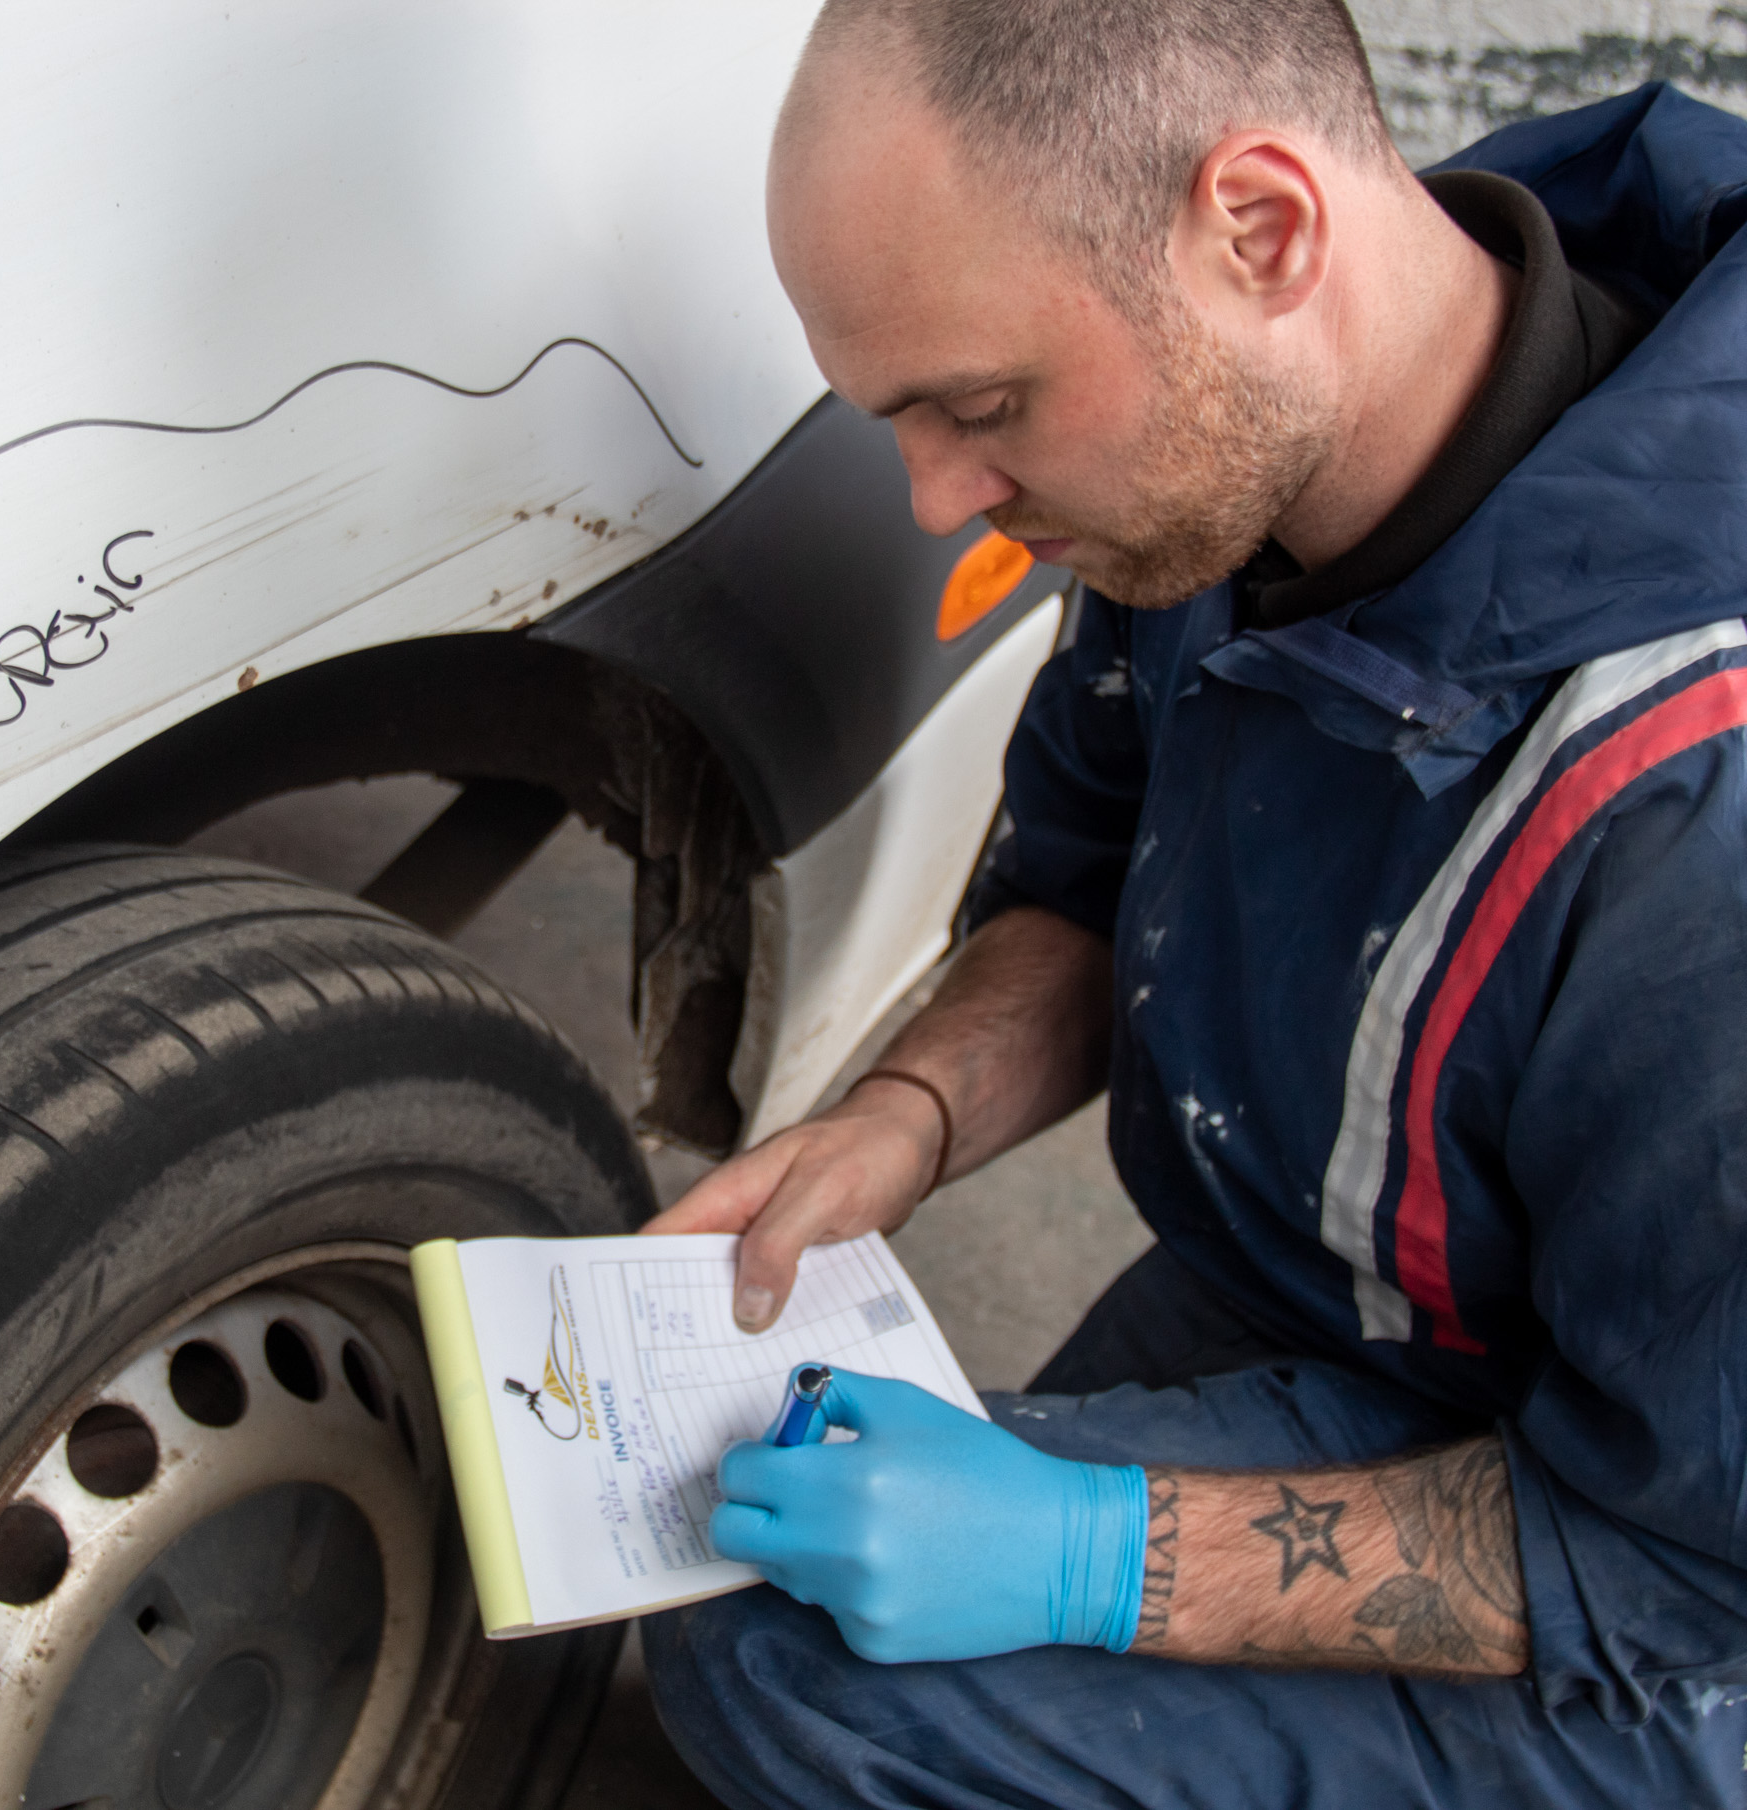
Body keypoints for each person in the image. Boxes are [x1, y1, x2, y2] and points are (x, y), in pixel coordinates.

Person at [638, 2, 1747, 1805]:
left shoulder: (1696, 800)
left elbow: (1685, 1558)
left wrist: (1096, 1552)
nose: (941, 501)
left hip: (1658, 1590)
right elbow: (1081, 878)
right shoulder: (1235, 458)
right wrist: (899, 1121)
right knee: (743, 1539)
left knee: (800, 1671)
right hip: (1336, 1281)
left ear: (1262, 231)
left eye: (981, 406)